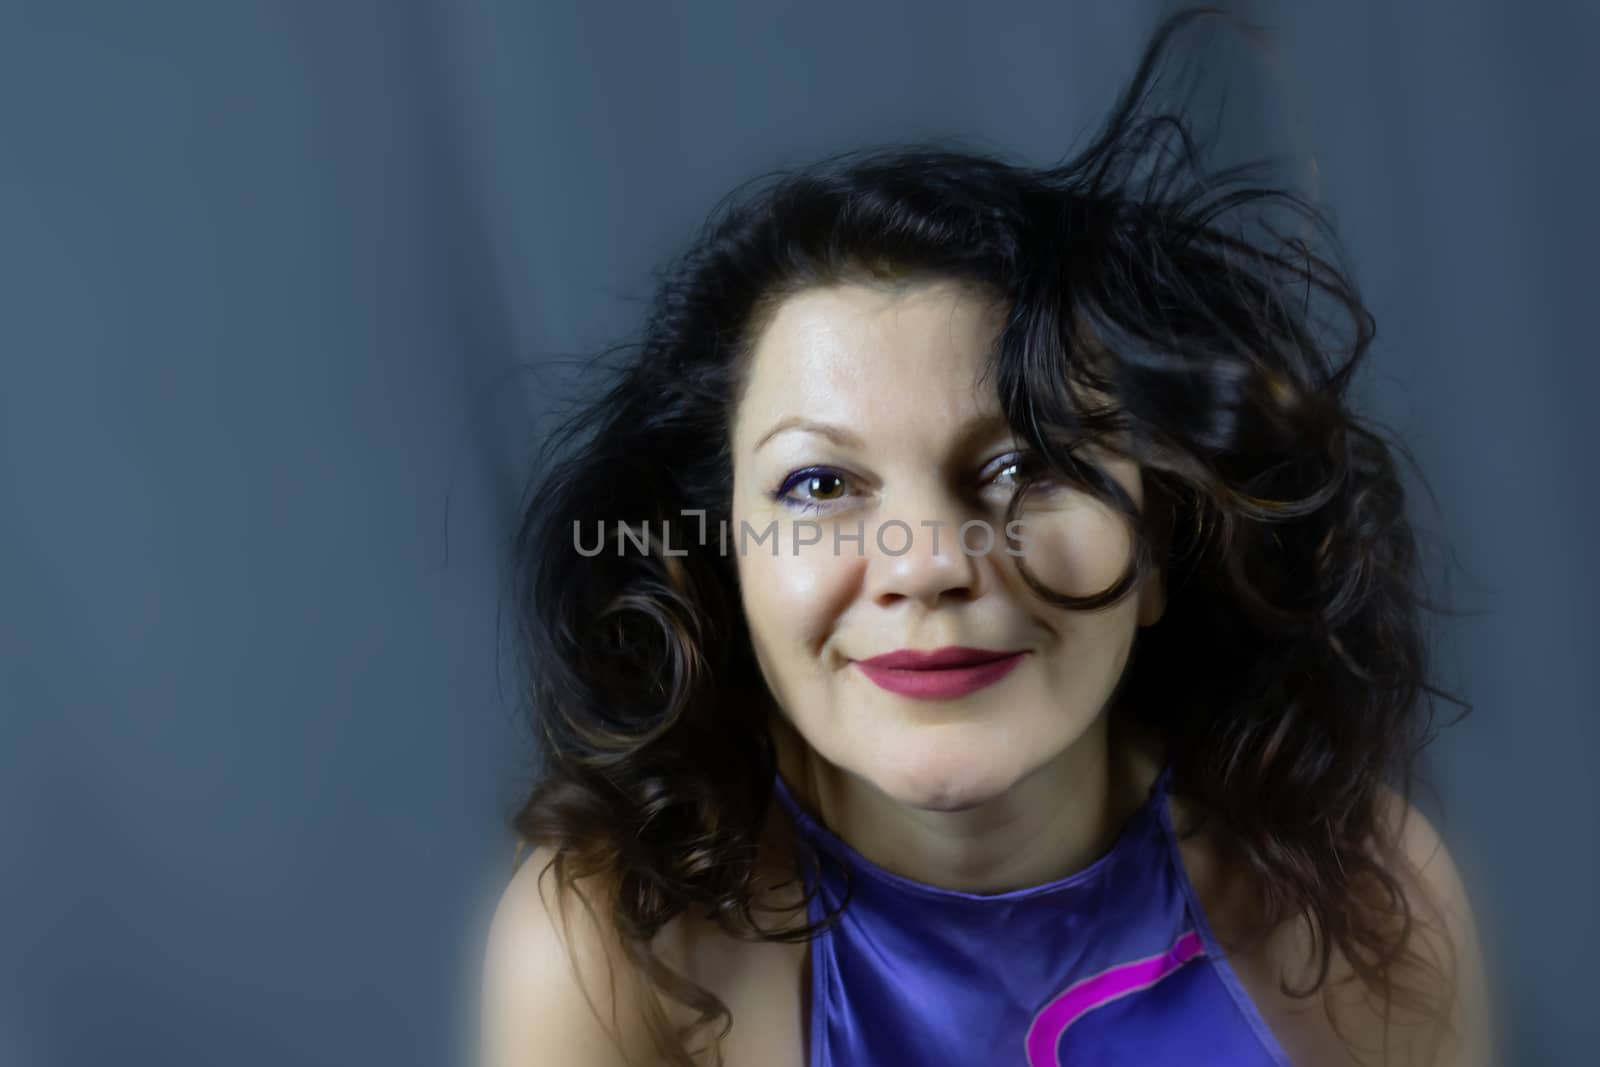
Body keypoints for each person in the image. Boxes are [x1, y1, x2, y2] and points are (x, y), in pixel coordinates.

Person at [477, 10, 1490, 1066]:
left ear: (1154, 544)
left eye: (1031, 464)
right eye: (818, 482)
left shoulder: (1362, 889)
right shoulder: (615, 947)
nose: (929, 562)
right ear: (721, 562)